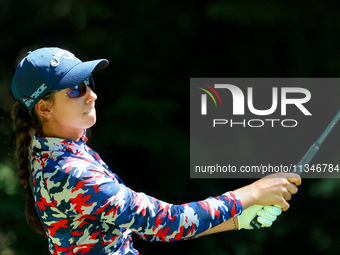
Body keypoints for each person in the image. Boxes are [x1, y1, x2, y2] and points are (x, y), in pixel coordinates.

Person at [11, 47, 301, 255]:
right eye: (74, 90)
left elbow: (136, 225)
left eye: (87, 83)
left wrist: (235, 221)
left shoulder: (57, 150)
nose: (91, 94)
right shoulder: (72, 172)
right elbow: (165, 223)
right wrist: (251, 193)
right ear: (45, 108)